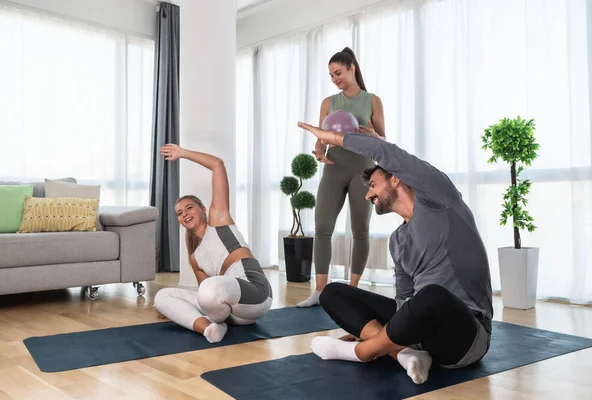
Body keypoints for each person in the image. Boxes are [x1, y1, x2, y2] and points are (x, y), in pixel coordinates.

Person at [296, 121, 493, 385]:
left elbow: (390, 155)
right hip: (421, 333)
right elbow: (403, 300)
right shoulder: (398, 240)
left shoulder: (440, 199)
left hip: (465, 336)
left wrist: (331, 136)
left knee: (432, 296)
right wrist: (395, 330)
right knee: (332, 292)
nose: (368, 195)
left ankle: (364, 351)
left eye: (373, 185)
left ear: (396, 178)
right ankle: (402, 352)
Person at [153, 144, 273, 343]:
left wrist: (183, 153)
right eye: (180, 214)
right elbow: (205, 298)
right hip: (230, 311)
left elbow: (217, 165)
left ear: (202, 209)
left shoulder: (219, 221)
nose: (185, 214)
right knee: (162, 297)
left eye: (189, 208)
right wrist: (175, 307)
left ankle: (213, 321)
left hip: (255, 295)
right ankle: (210, 328)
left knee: (209, 289)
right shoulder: (195, 258)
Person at [297, 47, 386, 308]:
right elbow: (322, 138)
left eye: (338, 72)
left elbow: (383, 141)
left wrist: (372, 136)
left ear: (351, 69)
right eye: (331, 75)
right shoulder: (329, 102)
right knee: (322, 228)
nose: (335, 78)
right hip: (334, 167)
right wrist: (318, 151)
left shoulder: (372, 100)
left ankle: (353, 290)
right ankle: (320, 292)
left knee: (360, 230)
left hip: (363, 168)